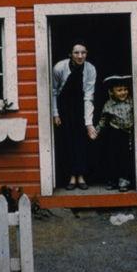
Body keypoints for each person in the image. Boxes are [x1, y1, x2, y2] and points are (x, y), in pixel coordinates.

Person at [52, 40, 97, 190]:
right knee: (68, 141)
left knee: (81, 140)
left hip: (81, 106)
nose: (80, 56)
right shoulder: (59, 68)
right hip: (64, 106)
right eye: (76, 52)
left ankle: (81, 175)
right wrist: (55, 113)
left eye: (83, 52)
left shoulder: (90, 69)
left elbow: (89, 96)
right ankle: (71, 176)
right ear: (70, 54)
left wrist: (88, 123)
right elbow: (53, 91)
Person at [92, 75, 134, 192]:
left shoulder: (131, 101)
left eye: (125, 89)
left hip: (129, 133)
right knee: (114, 157)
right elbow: (103, 120)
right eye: (119, 90)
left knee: (126, 158)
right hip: (115, 133)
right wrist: (96, 131)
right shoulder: (108, 105)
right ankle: (114, 180)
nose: (123, 92)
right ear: (111, 92)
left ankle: (124, 180)